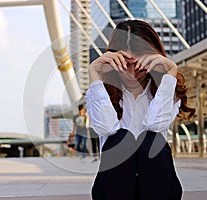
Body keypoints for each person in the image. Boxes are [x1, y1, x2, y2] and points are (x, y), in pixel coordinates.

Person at [85, 19, 195, 200]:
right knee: (120, 139)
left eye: (139, 67)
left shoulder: (167, 88)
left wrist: (171, 72)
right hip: (115, 186)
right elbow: (106, 129)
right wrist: (95, 74)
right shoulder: (99, 91)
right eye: (124, 65)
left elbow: (155, 125)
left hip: (156, 185)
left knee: (151, 141)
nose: (131, 74)